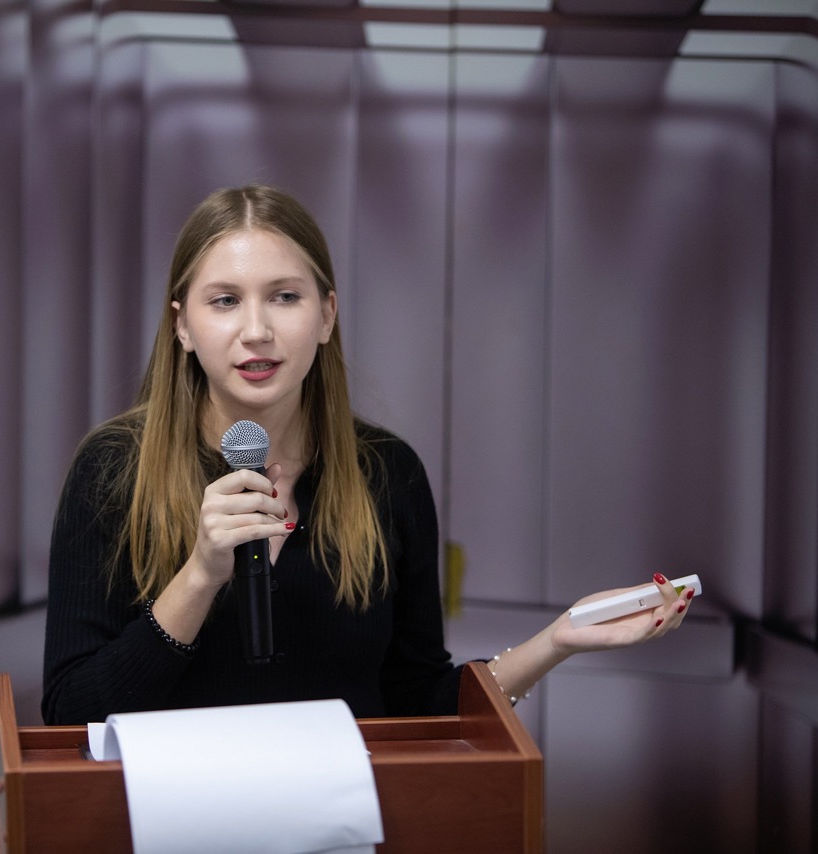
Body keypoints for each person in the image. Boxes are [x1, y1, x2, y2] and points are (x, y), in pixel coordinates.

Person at [40, 184, 694, 726]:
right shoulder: (113, 470)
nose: (256, 330)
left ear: (327, 316)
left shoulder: (388, 473)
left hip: (339, 821)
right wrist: (201, 575)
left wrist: (557, 641)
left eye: (285, 297)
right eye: (225, 301)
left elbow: (418, 702)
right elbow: (70, 713)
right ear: (183, 324)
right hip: (168, 820)